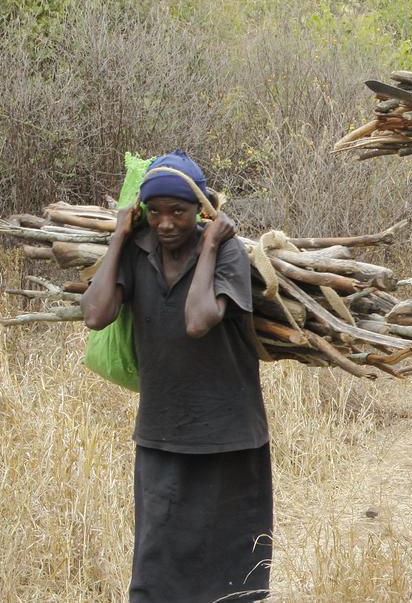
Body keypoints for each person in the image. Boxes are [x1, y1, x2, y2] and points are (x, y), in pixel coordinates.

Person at [80, 150, 272, 602]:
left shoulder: (228, 253)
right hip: (162, 430)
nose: (165, 224)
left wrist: (207, 246)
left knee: (229, 574)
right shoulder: (136, 249)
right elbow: (94, 314)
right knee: (156, 568)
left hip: (228, 432)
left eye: (179, 212)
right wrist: (118, 238)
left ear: (202, 211)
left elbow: (198, 320)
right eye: (155, 212)